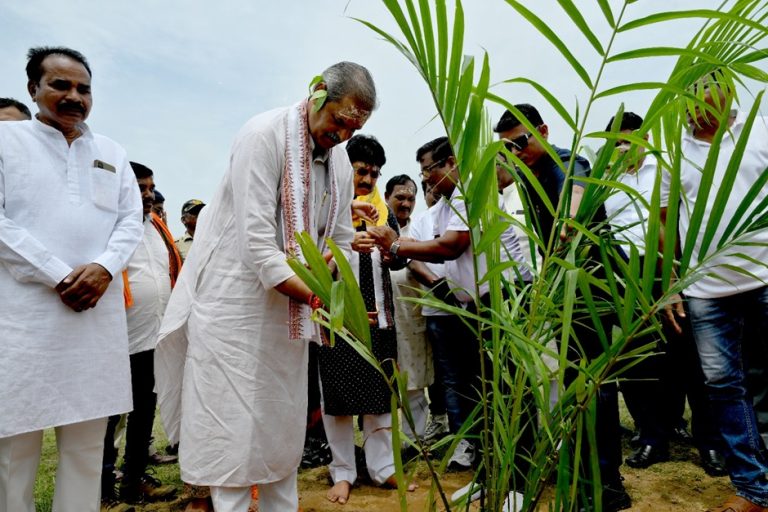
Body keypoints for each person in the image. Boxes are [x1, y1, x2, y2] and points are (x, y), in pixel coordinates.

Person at [154, 61, 375, 512]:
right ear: (317, 93)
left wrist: (334, 291)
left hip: (289, 313)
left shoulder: (339, 165)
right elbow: (256, 242)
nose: (342, 136)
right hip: (235, 305)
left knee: (280, 425)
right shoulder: (263, 136)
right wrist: (317, 295)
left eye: (355, 129)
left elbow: (342, 241)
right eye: (339, 121)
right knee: (231, 428)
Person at [0, 46, 143, 512]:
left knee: (86, 447)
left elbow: (130, 220)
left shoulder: (111, 152)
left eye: (83, 88)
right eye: (60, 85)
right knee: (13, 449)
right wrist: (59, 274)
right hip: (24, 320)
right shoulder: (7, 142)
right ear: (33, 90)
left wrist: (103, 268)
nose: (74, 96)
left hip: (94, 321)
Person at [369, 136, 532, 509]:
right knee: (479, 398)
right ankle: (489, 476)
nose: (426, 179)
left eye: (428, 169)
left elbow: (451, 247)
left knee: (506, 395)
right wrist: (394, 247)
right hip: (467, 310)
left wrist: (396, 245)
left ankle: (519, 483)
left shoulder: (472, 192)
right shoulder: (441, 207)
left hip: (500, 304)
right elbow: (419, 255)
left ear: (450, 163)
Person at [493, 104, 630, 511]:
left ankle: (608, 483)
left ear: (544, 131)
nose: (517, 152)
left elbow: (577, 188)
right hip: (564, 295)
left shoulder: (567, 161)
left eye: (521, 141)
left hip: (593, 292)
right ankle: (589, 474)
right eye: (508, 148)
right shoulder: (527, 179)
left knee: (596, 386)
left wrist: (570, 221)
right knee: (576, 385)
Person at [661, 75, 768, 512]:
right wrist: (672, 285)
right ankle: (754, 488)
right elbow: (667, 223)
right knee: (724, 386)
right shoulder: (674, 153)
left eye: (701, 86)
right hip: (706, 290)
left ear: (726, 91)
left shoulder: (760, 129)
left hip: (765, 276)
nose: (692, 99)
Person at [601, 112, 726, 476]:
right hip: (627, 273)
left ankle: (711, 443)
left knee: (691, 358)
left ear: (644, 138)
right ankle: (652, 438)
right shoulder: (605, 183)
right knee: (638, 363)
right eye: (617, 143)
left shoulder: (666, 169)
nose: (624, 149)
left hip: (672, 268)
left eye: (630, 140)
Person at [318, 134, 414, 505]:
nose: (368, 180)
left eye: (374, 173)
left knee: (380, 398)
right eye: (362, 171)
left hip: (382, 320)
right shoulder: (326, 207)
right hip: (338, 320)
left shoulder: (384, 212)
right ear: (345, 169)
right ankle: (343, 472)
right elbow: (311, 264)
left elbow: (398, 260)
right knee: (338, 401)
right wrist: (343, 245)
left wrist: (391, 250)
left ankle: (384, 469)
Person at [100, 163, 179, 508]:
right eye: (140, 188)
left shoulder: (157, 228)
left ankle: (134, 482)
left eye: (151, 188)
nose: (148, 195)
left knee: (144, 411)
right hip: (116, 339)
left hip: (153, 338)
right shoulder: (107, 228)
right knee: (108, 417)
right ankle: (102, 489)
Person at [384, 174, 435, 442]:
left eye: (411, 198)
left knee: (414, 382)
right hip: (381, 321)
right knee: (383, 382)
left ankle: (414, 442)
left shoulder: (419, 234)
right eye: (399, 197)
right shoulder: (375, 230)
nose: (405, 203)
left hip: (411, 321)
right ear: (386, 198)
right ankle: (384, 445)